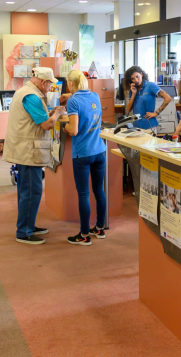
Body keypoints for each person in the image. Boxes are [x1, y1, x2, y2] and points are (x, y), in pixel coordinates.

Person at [3, 67, 66, 245]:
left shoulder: (25, 92)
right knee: (32, 191)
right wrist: (58, 114)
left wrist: (52, 112)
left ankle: (28, 224)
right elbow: (46, 125)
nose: (50, 88)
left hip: (25, 149)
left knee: (27, 190)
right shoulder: (32, 97)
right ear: (43, 82)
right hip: (28, 151)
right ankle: (24, 232)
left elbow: (37, 118)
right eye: (49, 85)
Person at [62, 70, 107, 246]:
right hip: (99, 151)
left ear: (71, 84)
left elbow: (73, 130)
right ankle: (100, 228)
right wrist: (68, 95)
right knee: (99, 191)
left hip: (82, 153)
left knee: (83, 194)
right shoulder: (94, 95)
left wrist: (64, 126)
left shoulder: (73, 101)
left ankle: (84, 235)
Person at [123, 66, 172, 132]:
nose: (136, 80)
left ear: (141, 74)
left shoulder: (150, 85)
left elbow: (168, 98)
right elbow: (129, 109)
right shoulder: (133, 89)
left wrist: (156, 113)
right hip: (136, 126)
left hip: (149, 125)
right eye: (133, 79)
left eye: (137, 76)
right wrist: (133, 94)